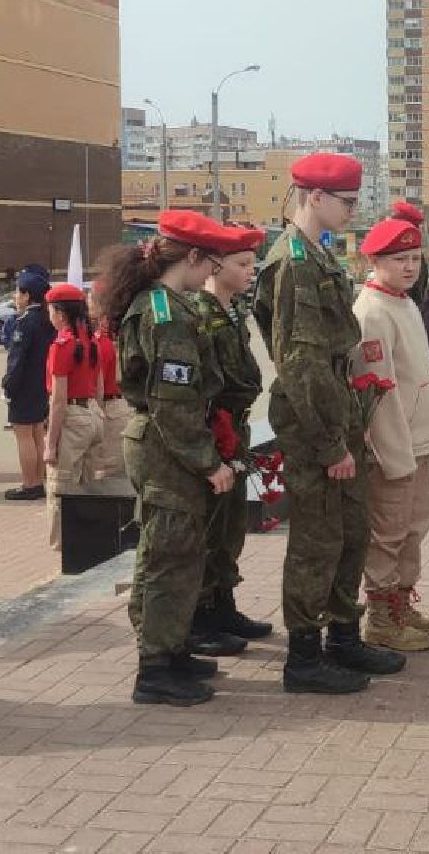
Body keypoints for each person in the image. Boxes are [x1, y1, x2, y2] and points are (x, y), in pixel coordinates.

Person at [257, 151, 406, 694]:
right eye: (346, 202)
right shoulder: (293, 263)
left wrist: (351, 426)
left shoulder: (316, 257)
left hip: (336, 415)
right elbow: (298, 364)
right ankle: (303, 657)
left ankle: (343, 637)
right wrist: (328, 445)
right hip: (312, 424)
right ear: (314, 197)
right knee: (316, 540)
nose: (353, 210)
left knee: (349, 532)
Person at [97, 211, 252, 706]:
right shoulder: (167, 313)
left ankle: (171, 650)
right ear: (192, 257)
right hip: (168, 448)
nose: (210, 271)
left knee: (172, 552)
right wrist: (210, 463)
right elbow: (176, 402)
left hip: (164, 443)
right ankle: (157, 669)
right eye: (208, 261)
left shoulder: (162, 304)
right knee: (172, 557)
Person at [352, 209, 429, 653]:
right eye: (399, 258)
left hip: (418, 440)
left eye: (415, 257)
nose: (410, 266)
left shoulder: (403, 300)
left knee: (414, 527)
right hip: (395, 448)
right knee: (387, 534)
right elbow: (379, 393)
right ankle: (382, 619)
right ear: (375, 262)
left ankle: (403, 605)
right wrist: (393, 456)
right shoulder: (372, 312)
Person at [192, 227, 271, 650]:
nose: (249, 271)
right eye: (241, 264)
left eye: (251, 263)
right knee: (209, 528)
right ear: (215, 265)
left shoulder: (233, 310)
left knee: (230, 526)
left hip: (233, 428)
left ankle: (223, 603)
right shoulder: (201, 313)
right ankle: (201, 616)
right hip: (212, 429)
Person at [43, 281, 106, 546]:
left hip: (72, 416)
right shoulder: (91, 341)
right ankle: (88, 542)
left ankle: (63, 548)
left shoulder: (61, 345)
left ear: (59, 313)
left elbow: (58, 400)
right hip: (93, 412)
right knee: (88, 486)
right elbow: (100, 385)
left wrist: (50, 443)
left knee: (61, 488)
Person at [2, 271, 55, 500]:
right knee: (36, 434)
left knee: (24, 435)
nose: (15, 297)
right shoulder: (47, 320)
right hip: (42, 384)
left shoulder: (24, 323)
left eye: (17, 292)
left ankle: (29, 483)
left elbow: (17, 359)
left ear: (26, 296)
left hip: (24, 385)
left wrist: (8, 385)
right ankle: (39, 479)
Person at [88, 287, 132, 494]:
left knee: (110, 471)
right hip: (121, 404)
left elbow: (101, 384)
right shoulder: (115, 338)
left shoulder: (101, 343)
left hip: (110, 406)